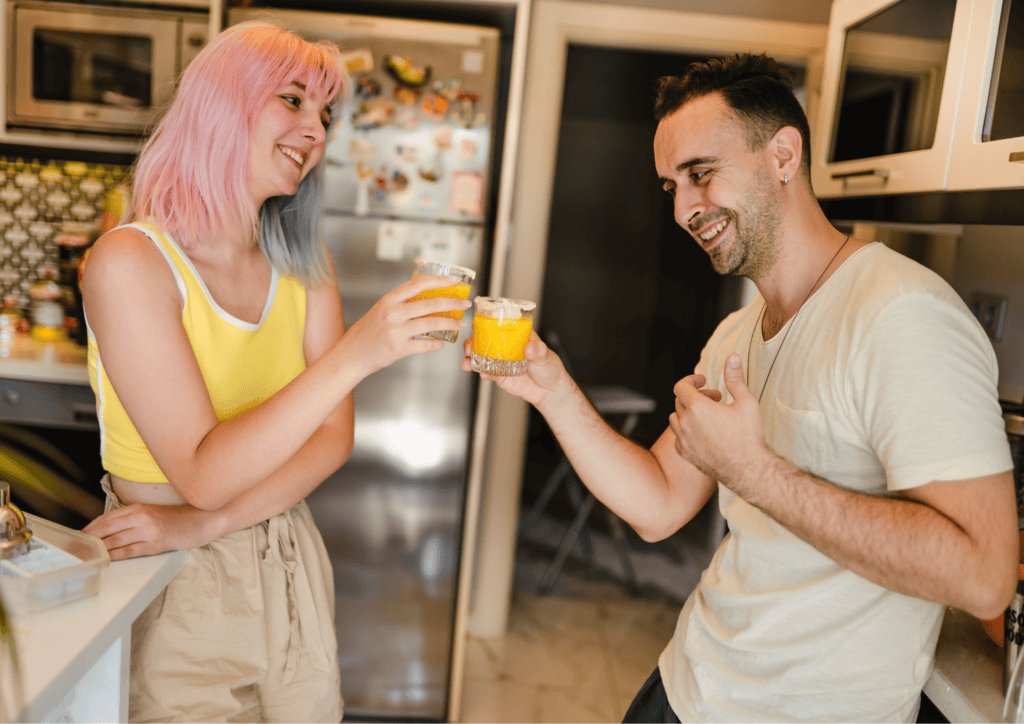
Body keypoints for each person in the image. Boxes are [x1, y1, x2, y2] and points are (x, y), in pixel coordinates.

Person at [464, 53, 1018, 722]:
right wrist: (551, 389)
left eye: (701, 174)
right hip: (687, 683)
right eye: (672, 187)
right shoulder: (736, 332)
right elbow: (659, 504)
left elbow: (984, 575)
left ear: (784, 155)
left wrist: (755, 474)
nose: (685, 210)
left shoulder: (901, 314)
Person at [79, 21, 471, 723]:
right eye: (292, 101)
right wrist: (359, 351)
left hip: (286, 556)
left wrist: (207, 524)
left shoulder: (300, 259)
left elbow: (333, 437)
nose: (315, 131)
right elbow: (200, 471)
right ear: (221, 105)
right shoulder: (131, 264)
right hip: (170, 580)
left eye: (324, 114)